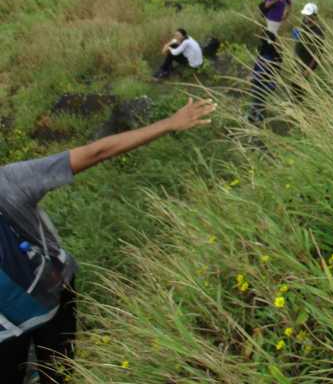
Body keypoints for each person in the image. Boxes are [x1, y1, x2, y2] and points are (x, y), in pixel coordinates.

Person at [0, 98, 216, 383]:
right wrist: (170, 123)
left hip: (6, 325)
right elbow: (97, 151)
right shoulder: (9, 182)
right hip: (54, 289)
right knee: (60, 370)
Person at [248, 31, 283, 123]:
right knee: (259, 101)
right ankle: (254, 117)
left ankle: (257, 120)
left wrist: (253, 77)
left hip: (263, 82)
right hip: (268, 82)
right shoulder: (275, 50)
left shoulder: (268, 52)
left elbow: (263, 70)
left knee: (258, 100)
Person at [294, 3, 324, 76]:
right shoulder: (304, 23)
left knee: (299, 85)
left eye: (309, 16)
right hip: (297, 62)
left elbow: (318, 53)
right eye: (305, 15)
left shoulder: (318, 32)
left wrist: (308, 70)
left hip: (307, 64)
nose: (306, 17)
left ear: (315, 16)